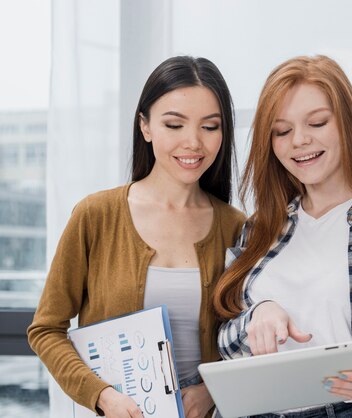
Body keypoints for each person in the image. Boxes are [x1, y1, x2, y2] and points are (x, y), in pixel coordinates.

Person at [212, 55, 352, 418]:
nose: (300, 140)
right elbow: (225, 344)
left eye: (316, 122)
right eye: (281, 131)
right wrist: (256, 317)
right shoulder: (259, 230)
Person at [28, 56, 246, 418]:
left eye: (210, 126)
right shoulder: (95, 216)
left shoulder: (236, 227)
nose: (193, 142)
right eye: (174, 124)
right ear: (145, 126)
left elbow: (249, 341)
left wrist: (211, 391)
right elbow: (46, 329)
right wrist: (102, 396)